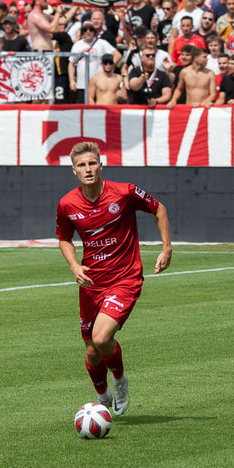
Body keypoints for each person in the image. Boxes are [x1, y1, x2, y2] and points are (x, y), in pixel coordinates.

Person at [56, 141, 172, 416]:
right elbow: (64, 237)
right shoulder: (67, 203)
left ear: (101, 165)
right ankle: (102, 396)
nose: (88, 169)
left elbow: (159, 209)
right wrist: (74, 266)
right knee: (92, 350)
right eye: (82, 165)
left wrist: (166, 247)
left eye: (92, 163)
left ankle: (119, 382)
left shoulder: (124, 192)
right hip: (91, 282)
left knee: (101, 336)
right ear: (74, 170)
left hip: (124, 278)